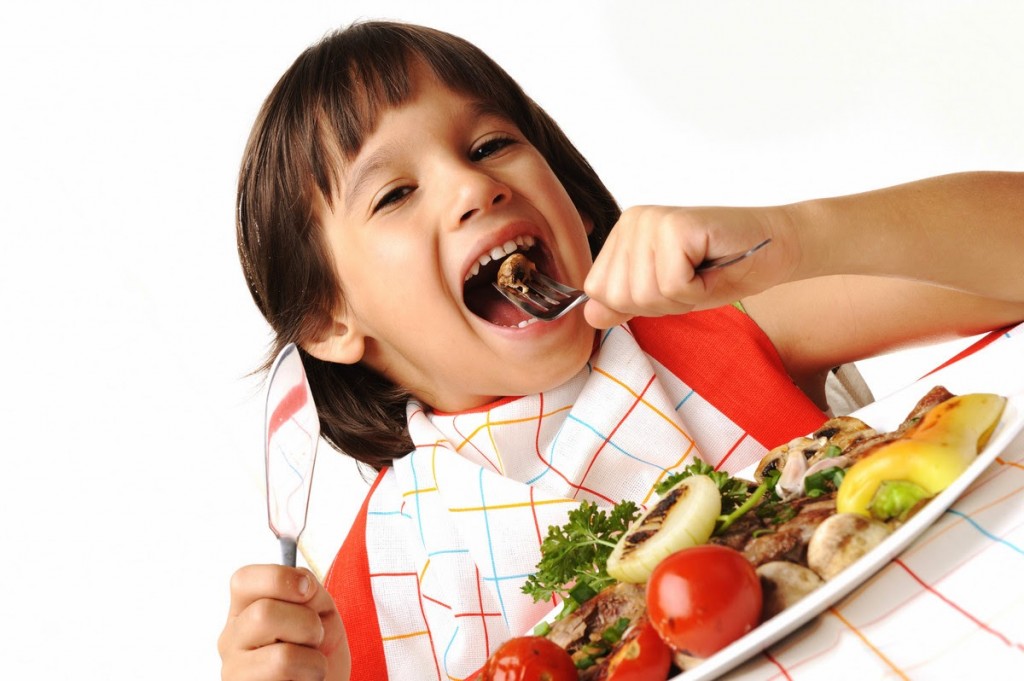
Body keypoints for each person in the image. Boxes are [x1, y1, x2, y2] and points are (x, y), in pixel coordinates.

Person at [217, 20, 1024, 681]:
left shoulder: (716, 331)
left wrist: (800, 238)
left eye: (491, 144)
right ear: (328, 320)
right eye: (395, 192)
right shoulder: (368, 583)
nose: (474, 187)